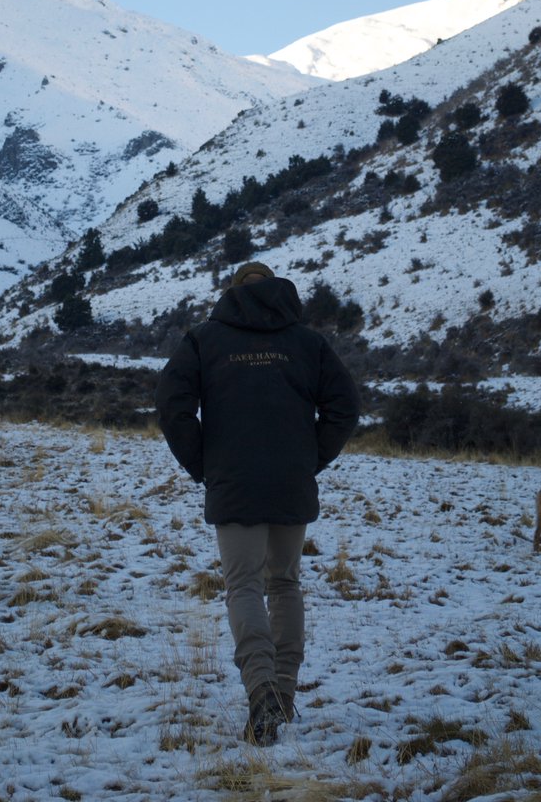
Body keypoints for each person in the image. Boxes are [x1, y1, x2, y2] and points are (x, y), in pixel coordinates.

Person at [156, 261, 361, 746]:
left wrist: (202, 463)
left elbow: (172, 406)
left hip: (235, 481)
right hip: (291, 480)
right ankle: (282, 692)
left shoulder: (205, 339)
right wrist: (311, 456)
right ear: (276, 290)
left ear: (233, 292)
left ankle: (261, 687)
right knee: (285, 583)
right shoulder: (308, 343)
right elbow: (345, 407)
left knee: (243, 584)